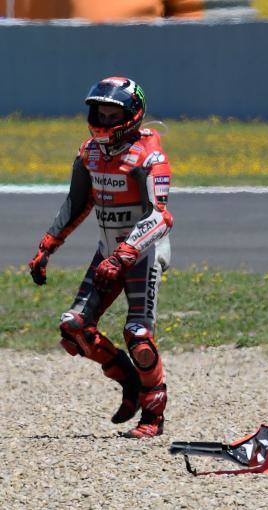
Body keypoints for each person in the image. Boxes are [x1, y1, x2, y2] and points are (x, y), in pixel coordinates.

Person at [27, 77, 173, 438]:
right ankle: (129, 382)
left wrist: (125, 254)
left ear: (132, 115)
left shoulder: (149, 157)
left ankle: (153, 417)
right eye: (99, 111)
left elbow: (160, 217)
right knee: (74, 326)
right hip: (105, 254)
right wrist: (47, 247)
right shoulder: (88, 152)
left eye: (112, 113)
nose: (103, 120)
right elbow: (76, 203)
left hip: (142, 254)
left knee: (138, 334)